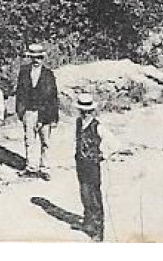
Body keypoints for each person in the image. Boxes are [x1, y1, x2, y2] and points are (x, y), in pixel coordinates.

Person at [15, 42, 59, 178]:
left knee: (45, 141)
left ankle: (44, 168)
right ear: (30, 57)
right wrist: (20, 111)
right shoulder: (23, 71)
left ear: (42, 58)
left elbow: (53, 96)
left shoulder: (48, 74)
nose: (36, 60)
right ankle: (30, 167)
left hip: (45, 111)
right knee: (29, 140)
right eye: (33, 57)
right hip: (28, 111)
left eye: (39, 57)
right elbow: (20, 92)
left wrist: (53, 117)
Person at [73, 93, 106, 240]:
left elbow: (114, 143)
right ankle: (88, 222)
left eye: (87, 111)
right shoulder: (78, 123)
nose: (85, 114)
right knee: (84, 192)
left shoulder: (97, 126)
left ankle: (98, 229)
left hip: (92, 165)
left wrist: (102, 155)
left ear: (92, 111)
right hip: (81, 163)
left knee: (94, 195)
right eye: (82, 111)